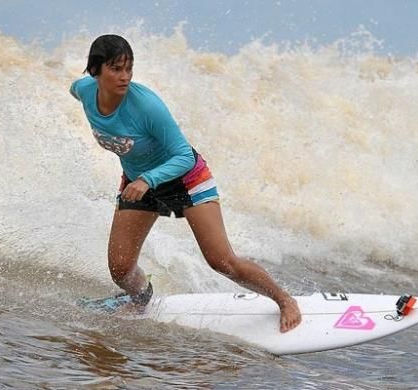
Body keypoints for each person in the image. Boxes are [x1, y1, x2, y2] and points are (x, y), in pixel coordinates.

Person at [70, 34, 301, 332]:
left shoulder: (146, 106)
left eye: (129, 68)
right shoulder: (83, 90)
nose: (124, 76)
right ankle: (141, 298)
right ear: (95, 70)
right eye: (116, 69)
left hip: (186, 179)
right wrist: (142, 181)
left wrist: (147, 179)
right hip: (138, 182)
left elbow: (184, 156)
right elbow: (76, 89)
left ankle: (284, 300)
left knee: (221, 261)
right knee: (120, 269)